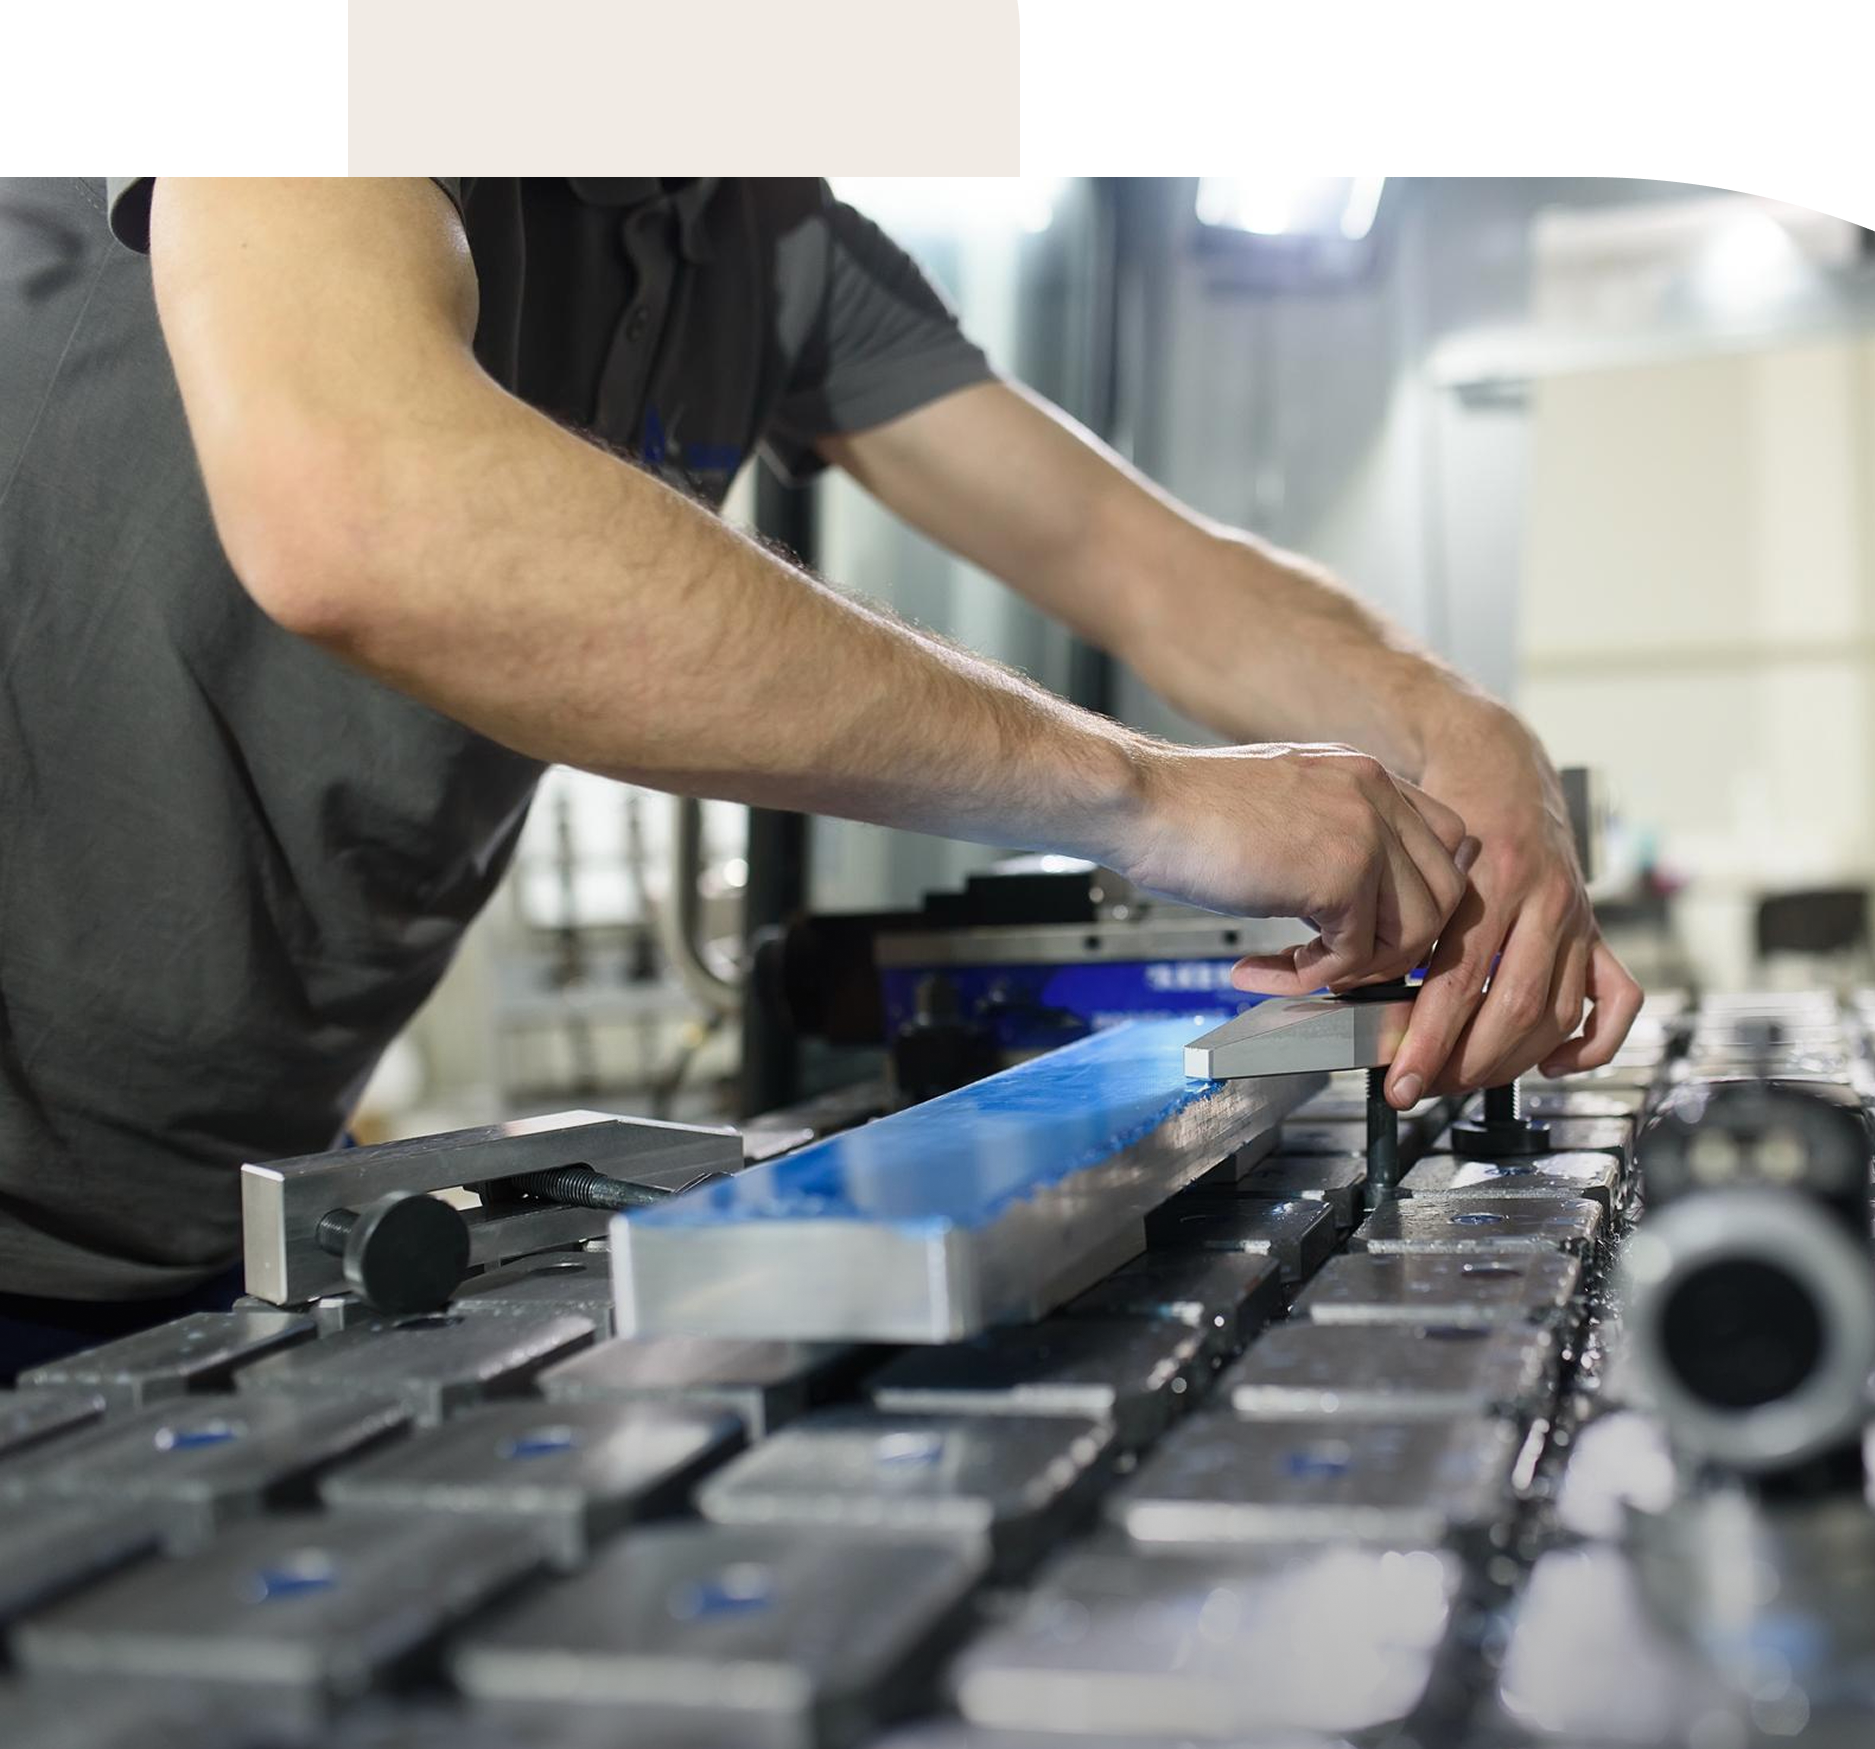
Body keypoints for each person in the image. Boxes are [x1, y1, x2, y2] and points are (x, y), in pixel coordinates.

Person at [0, 178, 1641, 1373]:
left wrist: (1468, 739)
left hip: (210, 1219)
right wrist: (1154, 797)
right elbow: (365, 508)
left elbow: (1137, 562)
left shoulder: (759, 232)